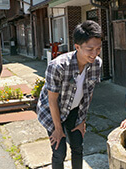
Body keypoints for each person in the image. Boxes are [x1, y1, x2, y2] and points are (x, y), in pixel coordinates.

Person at [37, 20, 102, 169]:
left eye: (98, 48)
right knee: (59, 152)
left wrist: (82, 120)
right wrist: (58, 129)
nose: (94, 54)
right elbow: (52, 100)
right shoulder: (58, 66)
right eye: (90, 49)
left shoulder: (96, 64)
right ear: (77, 47)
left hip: (75, 110)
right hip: (52, 111)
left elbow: (89, 94)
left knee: (78, 147)